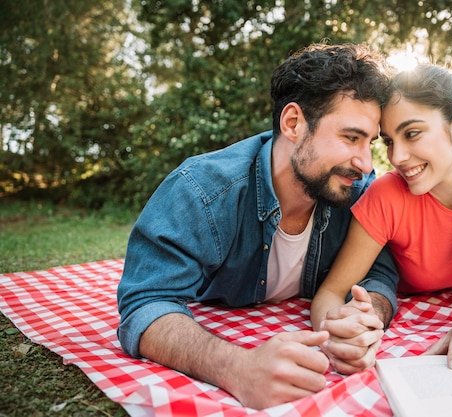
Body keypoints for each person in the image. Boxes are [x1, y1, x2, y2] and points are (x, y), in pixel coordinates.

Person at [116, 43, 400, 410]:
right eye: (350, 138)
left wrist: (366, 317)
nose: (365, 163)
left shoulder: (357, 191)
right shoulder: (202, 191)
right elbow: (146, 302)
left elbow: (379, 271)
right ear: (293, 123)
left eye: (370, 143)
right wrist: (238, 367)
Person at [311, 63, 452, 376]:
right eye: (390, 141)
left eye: (412, 133)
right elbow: (330, 293)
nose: (397, 157)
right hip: (389, 289)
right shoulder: (387, 194)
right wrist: (336, 333)